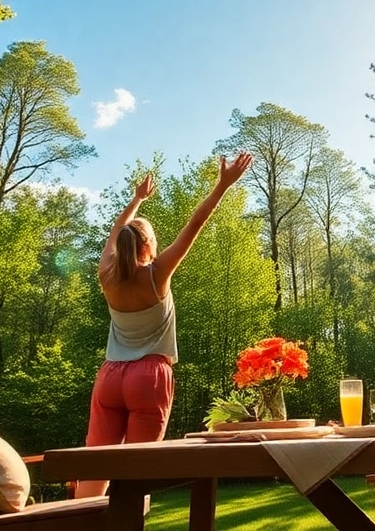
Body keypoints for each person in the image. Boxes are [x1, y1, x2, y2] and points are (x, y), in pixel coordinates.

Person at [74, 152, 253, 499]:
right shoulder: (158, 274)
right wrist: (222, 186)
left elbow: (115, 229)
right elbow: (195, 224)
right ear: (149, 246)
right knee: (139, 473)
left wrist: (136, 200)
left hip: (109, 376)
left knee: (94, 469)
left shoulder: (107, 274)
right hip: (148, 376)